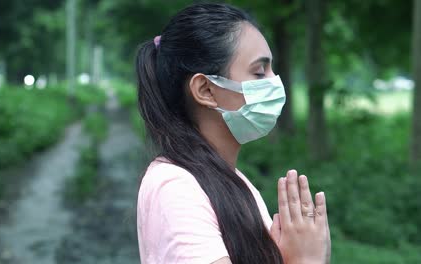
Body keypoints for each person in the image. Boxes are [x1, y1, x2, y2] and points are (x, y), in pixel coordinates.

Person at [135, 3, 331, 264]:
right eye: (259, 72)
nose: (274, 82)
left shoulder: (231, 180)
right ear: (205, 90)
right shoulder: (175, 188)